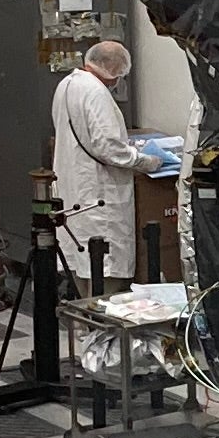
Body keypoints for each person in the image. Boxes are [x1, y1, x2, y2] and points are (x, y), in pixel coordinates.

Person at [48, 37, 142, 292]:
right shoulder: (97, 93)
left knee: (80, 260)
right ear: (114, 72)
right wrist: (146, 160)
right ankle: (101, 328)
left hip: (73, 186)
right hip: (98, 192)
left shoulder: (67, 84)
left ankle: (82, 328)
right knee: (104, 265)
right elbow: (109, 147)